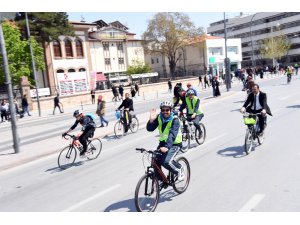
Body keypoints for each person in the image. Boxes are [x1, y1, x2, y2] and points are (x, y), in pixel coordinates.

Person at [146, 100, 185, 181]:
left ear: (171, 110)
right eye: (163, 110)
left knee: (166, 162)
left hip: (175, 144)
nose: (165, 112)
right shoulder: (159, 117)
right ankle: (162, 180)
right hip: (163, 143)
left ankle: (179, 169)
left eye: (167, 110)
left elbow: (172, 134)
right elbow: (150, 129)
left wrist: (167, 147)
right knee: (155, 161)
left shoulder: (175, 119)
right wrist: (151, 120)